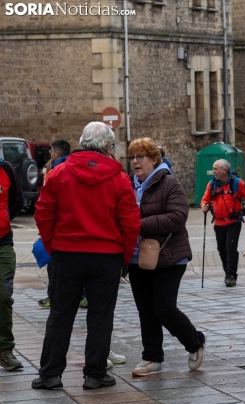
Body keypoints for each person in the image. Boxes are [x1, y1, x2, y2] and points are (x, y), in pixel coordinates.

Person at [32, 122, 140, 390]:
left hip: (66, 254)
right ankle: (95, 373)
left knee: (60, 314)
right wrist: (124, 256)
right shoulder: (118, 178)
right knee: (101, 316)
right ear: (108, 146)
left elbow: (43, 212)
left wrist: (52, 246)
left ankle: (50, 374)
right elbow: (130, 221)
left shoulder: (59, 173)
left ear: (82, 141)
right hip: (106, 256)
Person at [127, 138, 206, 377]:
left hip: (170, 255)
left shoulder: (169, 183)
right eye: (132, 157)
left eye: (140, 157)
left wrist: (138, 224)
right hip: (137, 258)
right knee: (145, 311)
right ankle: (152, 358)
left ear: (154, 159)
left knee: (163, 308)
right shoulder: (129, 185)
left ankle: (195, 342)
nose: (135, 162)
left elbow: (178, 216)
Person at [38, 139, 89, 310]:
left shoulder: (55, 171)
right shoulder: (80, 169)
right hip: (80, 229)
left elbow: (45, 206)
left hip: (60, 230)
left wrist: (47, 237)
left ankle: (55, 297)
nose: (50, 155)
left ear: (57, 153)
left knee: (56, 267)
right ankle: (80, 296)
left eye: (51, 151)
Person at [200, 159, 245, 287]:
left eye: (215, 169)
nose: (213, 171)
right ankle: (227, 272)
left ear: (224, 170)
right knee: (221, 249)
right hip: (218, 223)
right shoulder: (212, 184)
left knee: (230, 248)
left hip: (233, 222)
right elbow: (205, 199)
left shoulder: (238, 183)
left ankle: (231, 275)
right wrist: (204, 205)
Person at [0, 150, 25, 371]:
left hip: (2, 244)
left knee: (3, 296)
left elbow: (18, 200)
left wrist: (5, 220)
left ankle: (5, 349)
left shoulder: (6, 169)